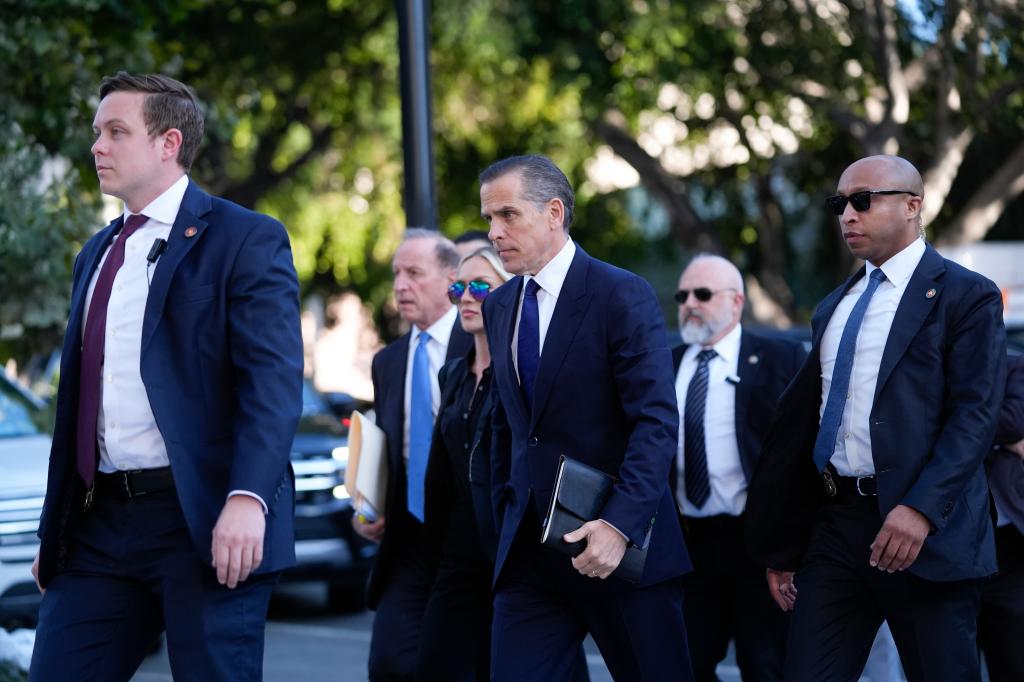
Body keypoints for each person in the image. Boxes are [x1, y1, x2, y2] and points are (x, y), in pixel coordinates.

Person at [29, 72, 303, 680]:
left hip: (203, 517)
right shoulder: (96, 253)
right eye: (97, 132)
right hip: (101, 526)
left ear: (168, 143)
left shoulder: (245, 238)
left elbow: (273, 382)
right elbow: (76, 400)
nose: (97, 146)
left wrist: (247, 497)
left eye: (116, 131)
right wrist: (57, 530)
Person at [745, 154, 1006, 681]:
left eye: (862, 201)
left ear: (913, 206)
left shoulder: (965, 295)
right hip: (838, 526)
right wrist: (784, 544)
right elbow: (803, 427)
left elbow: (975, 415)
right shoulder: (834, 306)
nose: (847, 216)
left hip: (926, 532)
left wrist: (921, 509)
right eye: (839, 203)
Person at [480, 154, 694, 681]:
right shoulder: (499, 305)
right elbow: (514, 428)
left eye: (508, 215)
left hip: (617, 546)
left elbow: (656, 422)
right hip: (530, 556)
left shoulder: (620, 293)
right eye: (489, 218)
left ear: (554, 212)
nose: (494, 232)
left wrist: (619, 526)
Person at [670, 254, 805, 681]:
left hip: (757, 543)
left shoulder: (778, 359)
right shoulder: (663, 363)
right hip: (688, 545)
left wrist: (793, 545)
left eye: (703, 294)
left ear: (736, 302)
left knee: (765, 664)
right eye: (683, 295)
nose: (690, 302)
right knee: (685, 664)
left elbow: (803, 451)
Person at [355, 229, 473, 681]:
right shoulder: (389, 361)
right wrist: (369, 506)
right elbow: (388, 446)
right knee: (389, 664)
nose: (401, 285)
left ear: (450, 278)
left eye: (414, 274)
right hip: (408, 537)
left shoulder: (478, 342)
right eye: (397, 274)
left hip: (466, 534)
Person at [979, 351, 1024, 681]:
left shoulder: (1011, 363)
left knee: (1010, 653)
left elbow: (1014, 420)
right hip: (948, 532)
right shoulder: (933, 362)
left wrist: (961, 424)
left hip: (1007, 537)